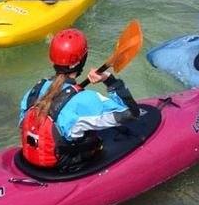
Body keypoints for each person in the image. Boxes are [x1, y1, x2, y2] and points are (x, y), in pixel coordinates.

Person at [19, 28, 140, 169]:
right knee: (91, 138)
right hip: (63, 165)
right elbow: (131, 112)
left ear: (52, 58)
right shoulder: (84, 101)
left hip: (32, 158)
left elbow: (23, 123)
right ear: (83, 60)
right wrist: (109, 80)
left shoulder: (35, 90)